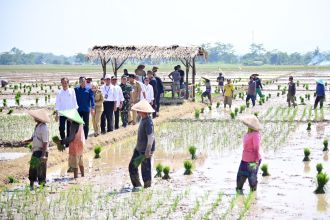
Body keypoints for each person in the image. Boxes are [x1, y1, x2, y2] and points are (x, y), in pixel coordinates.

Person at [128, 100, 156, 191]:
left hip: (145, 151)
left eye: (139, 111)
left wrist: (148, 150)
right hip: (139, 149)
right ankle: (137, 186)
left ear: (144, 112)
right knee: (132, 167)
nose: (138, 112)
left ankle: (147, 188)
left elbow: (151, 137)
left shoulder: (148, 122)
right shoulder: (142, 119)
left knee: (146, 170)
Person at [22, 109, 50, 190]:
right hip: (36, 150)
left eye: (35, 117)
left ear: (39, 118)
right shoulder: (37, 126)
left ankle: (42, 187)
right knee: (33, 168)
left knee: (41, 170)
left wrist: (43, 155)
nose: (34, 118)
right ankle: (31, 185)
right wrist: (27, 141)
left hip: (41, 151)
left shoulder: (44, 128)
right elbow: (33, 137)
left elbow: (45, 142)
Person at [236, 114, 262, 194]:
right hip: (244, 159)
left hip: (253, 160)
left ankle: (253, 196)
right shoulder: (248, 133)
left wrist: (256, 160)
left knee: (252, 178)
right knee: (240, 176)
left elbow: (256, 147)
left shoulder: (255, 134)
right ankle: (240, 192)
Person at [59, 109, 85, 179]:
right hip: (81, 145)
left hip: (75, 146)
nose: (67, 119)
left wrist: (61, 141)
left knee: (75, 164)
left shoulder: (74, 124)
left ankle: (75, 178)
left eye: (68, 118)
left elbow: (71, 138)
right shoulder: (80, 123)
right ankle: (83, 175)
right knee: (80, 161)